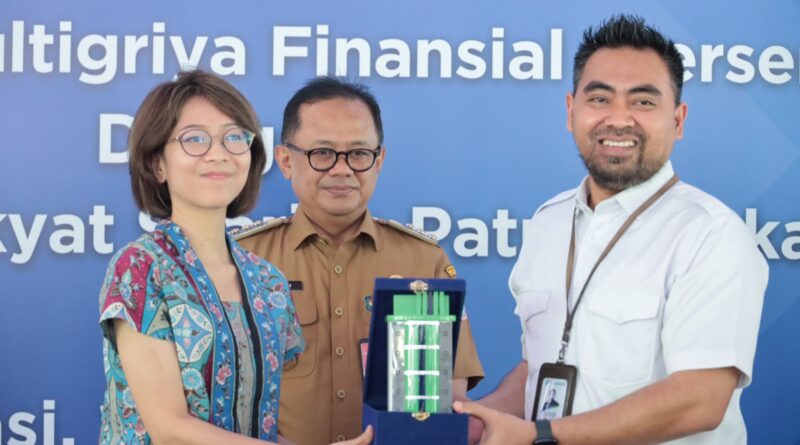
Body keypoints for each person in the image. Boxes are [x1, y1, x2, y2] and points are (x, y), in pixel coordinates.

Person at [454, 15, 768, 445]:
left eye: (643, 102)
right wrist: (480, 420)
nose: (618, 119)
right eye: (600, 98)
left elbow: (699, 398)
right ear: (571, 112)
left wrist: (539, 434)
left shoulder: (711, 234)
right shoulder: (548, 222)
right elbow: (541, 369)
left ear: (678, 120)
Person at [98, 70, 371, 445]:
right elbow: (170, 431)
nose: (218, 154)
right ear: (157, 163)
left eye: (234, 138)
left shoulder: (268, 282)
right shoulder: (141, 268)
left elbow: (255, 431)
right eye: (195, 139)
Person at [234, 77, 485, 444]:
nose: (342, 169)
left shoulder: (421, 261)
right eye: (322, 153)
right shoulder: (244, 261)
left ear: (378, 161)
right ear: (286, 161)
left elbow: (448, 396)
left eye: (359, 153)